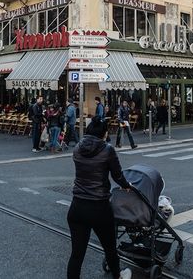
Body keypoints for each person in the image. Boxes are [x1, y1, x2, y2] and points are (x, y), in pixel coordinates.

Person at [67, 119, 132, 279]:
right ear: (104, 133)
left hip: (77, 207)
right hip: (99, 207)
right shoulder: (107, 149)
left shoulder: (77, 148)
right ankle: (118, 276)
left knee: (77, 254)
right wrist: (126, 185)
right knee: (109, 248)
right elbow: (117, 176)